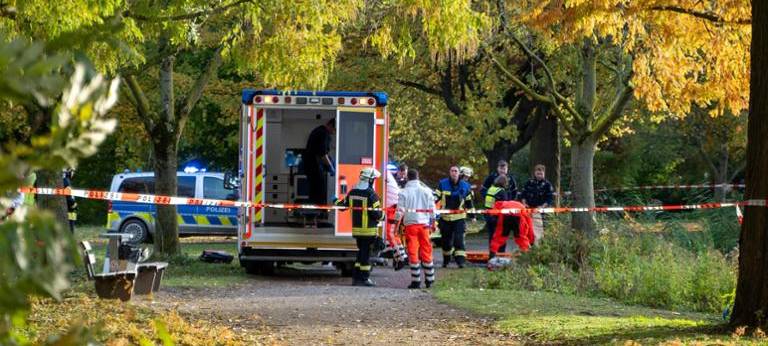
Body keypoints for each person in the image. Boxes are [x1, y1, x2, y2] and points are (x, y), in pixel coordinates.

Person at [335, 167, 383, 286]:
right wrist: (384, 216)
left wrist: (335, 201)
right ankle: (364, 279)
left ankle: (356, 278)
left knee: (360, 253)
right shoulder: (372, 195)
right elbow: (377, 214)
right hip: (369, 231)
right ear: (370, 180)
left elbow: (342, 206)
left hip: (357, 230)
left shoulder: (352, 192)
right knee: (365, 256)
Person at [394, 169, 437, 289]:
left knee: (413, 252)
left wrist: (396, 225)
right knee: (426, 250)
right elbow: (432, 209)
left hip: (411, 226)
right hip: (424, 226)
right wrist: (433, 223)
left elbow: (399, 211)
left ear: (407, 178)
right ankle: (430, 279)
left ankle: (416, 281)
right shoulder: (427, 191)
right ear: (418, 177)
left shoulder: (404, 192)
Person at [435, 166, 474, 268]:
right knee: (446, 242)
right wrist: (430, 207)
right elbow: (436, 197)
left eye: (455, 171)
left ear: (459, 173)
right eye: (452, 171)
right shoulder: (442, 184)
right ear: (449, 172)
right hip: (445, 219)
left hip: (459, 218)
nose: (454, 173)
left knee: (459, 240)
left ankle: (460, 262)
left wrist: (472, 216)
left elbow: (469, 202)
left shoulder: (465, 186)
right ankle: (446, 260)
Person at [480, 160, 517, 250]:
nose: (502, 170)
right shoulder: (491, 177)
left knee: (503, 234)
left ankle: (501, 255)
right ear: (497, 168)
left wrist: (511, 204)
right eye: (501, 168)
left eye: (504, 168)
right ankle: (493, 255)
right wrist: (489, 198)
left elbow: (514, 192)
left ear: (507, 169)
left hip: (505, 211)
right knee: (493, 234)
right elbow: (483, 190)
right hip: (493, 210)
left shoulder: (511, 179)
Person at [488, 199, 534, 269]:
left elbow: (494, 211)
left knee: (498, 237)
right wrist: (531, 242)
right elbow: (530, 227)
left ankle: (491, 258)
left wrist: (494, 217)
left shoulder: (502, 203)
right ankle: (527, 262)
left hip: (505, 215)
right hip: (518, 217)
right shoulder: (523, 209)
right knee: (521, 238)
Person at [304, 118, 336, 206]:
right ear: (330, 125)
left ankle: (314, 210)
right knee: (320, 190)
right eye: (334, 129)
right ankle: (319, 211)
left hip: (310, 165)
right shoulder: (324, 133)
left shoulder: (318, 130)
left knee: (314, 190)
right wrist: (331, 167)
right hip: (315, 166)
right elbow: (323, 154)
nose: (334, 132)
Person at [520, 164, 555, 244]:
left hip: (540, 211)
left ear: (544, 174)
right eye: (538, 173)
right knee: (527, 229)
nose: (539, 175)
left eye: (541, 174)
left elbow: (549, 198)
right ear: (535, 173)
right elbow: (523, 194)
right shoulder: (529, 182)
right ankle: (528, 246)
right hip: (528, 210)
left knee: (539, 231)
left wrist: (542, 207)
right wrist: (524, 203)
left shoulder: (547, 184)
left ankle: (539, 247)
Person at [384, 171, 407, 270]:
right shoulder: (387, 176)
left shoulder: (385, 175)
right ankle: (401, 257)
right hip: (395, 208)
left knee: (390, 234)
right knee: (394, 234)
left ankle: (400, 258)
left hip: (393, 209)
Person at [484, 175, 512, 253]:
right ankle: (501, 255)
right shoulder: (501, 191)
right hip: (497, 218)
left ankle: (492, 254)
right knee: (501, 236)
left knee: (492, 237)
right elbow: (505, 205)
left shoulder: (491, 189)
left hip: (489, 216)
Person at [62, 168, 78, 233]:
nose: (73, 174)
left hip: (69, 206)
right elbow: (68, 195)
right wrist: (73, 204)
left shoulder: (66, 180)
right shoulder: (66, 181)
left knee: (71, 223)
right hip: (69, 207)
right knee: (70, 224)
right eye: (72, 171)